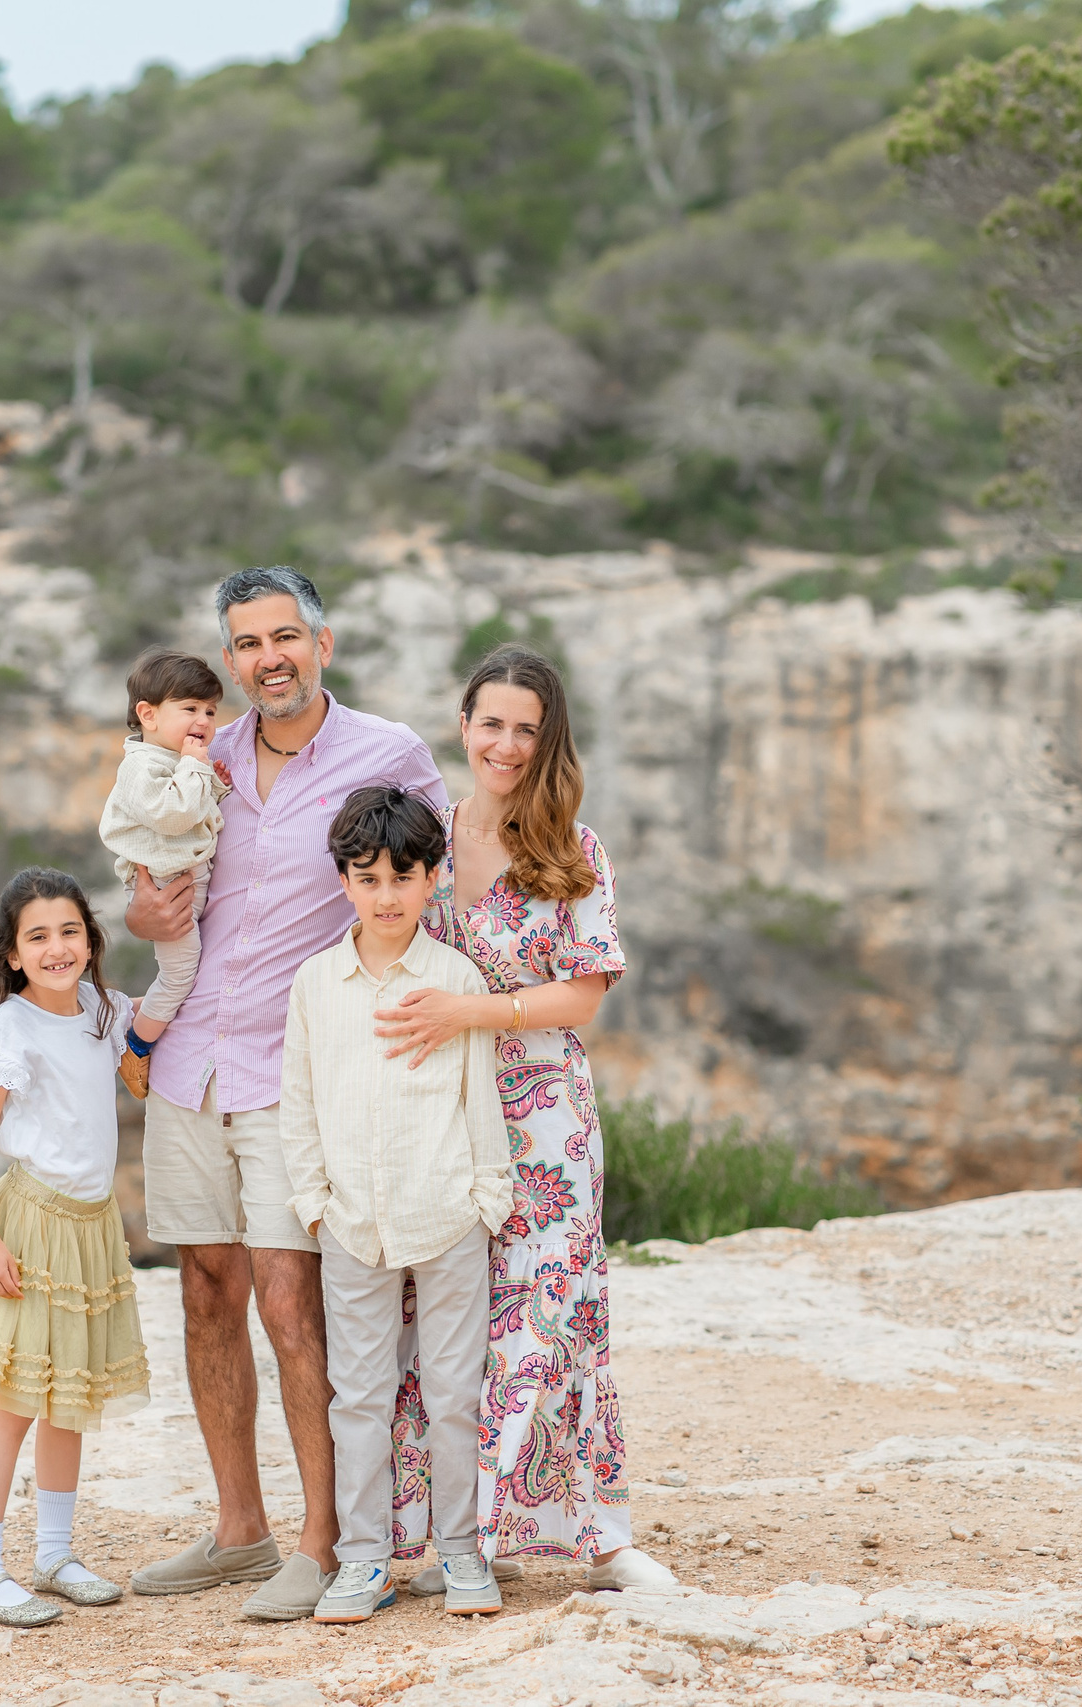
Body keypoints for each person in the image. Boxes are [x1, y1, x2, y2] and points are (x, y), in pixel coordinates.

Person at [124, 565, 448, 1622]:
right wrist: (146, 922)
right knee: (205, 1292)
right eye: (247, 643)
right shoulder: (198, 754)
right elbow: (148, 893)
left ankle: (324, 1542)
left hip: (292, 1071)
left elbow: (429, 889)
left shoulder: (386, 755)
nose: (268, 658)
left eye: (284, 637)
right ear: (228, 659)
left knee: (288, 1302)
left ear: (323, 642)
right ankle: (236, 1532)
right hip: (188, 1065)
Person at [374, 643, 680, 1593]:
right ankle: (440, 1541)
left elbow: (583, 994)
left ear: (548, 741)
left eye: (526, 728)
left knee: (552, 1312)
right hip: (441, 1109)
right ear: (462, 726)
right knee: (436, 1322)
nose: (505, 743)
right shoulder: (420, 836)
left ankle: (597, 1539)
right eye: (491, 722)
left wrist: (475, 1010)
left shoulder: (573, 848)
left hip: (546, 1116)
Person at [279, 787, 514, 1623]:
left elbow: (479, 1097)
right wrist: (314, 1202)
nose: (386, 896)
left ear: (432, 878)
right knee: (360, 1398)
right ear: (344, 880)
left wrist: (487, 1200)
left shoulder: (456, 980)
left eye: (403, 877)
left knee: (454, 1391)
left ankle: (459, 1554)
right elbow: (298, 1103)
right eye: (368, 877)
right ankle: (364, 1560)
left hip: (448, 1216)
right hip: (351, 1225)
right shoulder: (316, 984)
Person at [0, 868, 152, 1627]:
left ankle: (54, 1553)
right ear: (14, 954)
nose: (57, 947)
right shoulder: (12, 1028)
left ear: (91, 943)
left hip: (92, 1226)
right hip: (30, 1225)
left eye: (70, 931)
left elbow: (153, 1038)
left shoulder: (102, 1009)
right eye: (38, 936)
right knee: (17, 1398)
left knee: (72, 1399)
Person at [100, 649, 230, 1100]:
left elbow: (198, 808)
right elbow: (173, 814)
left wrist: (214, 780)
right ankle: (135, 1043)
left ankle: (138, 1023)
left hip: (186, 883)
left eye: (211, 711)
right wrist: (197, 768)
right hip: (166, 888)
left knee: (186, 972)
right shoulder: (139, 766)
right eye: (190, 708)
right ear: (148, 714)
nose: (204, 720)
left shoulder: (174, 759)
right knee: (179, 976)